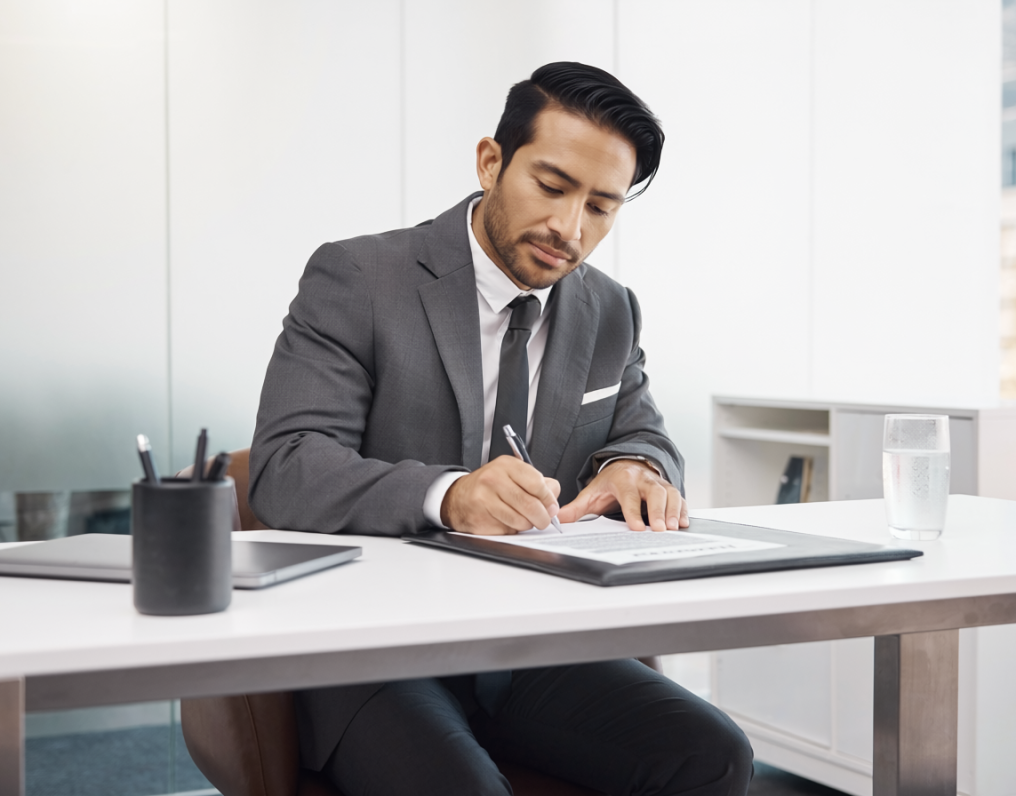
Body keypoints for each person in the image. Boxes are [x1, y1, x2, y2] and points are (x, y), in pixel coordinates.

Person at [250, 62, 752, 796]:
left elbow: (644, 432)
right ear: (491, 161)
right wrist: (448, 497)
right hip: (372, 651)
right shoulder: (361, 278)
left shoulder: (609, 309)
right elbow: (285, 467)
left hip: (531, 648)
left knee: (714, 755)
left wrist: (637, 466)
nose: (569, 229)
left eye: (601, 207)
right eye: (551, 187)